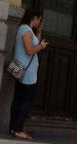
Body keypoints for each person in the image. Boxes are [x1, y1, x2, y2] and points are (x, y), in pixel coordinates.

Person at [9, 7, 48, 140]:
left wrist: (39, 32)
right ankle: (18, 129)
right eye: (39, 19)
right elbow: (30, 50)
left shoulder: (27, 30)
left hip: (23, 70)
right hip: (26, 72)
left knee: (18, 99)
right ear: (34, 18)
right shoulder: (25, 30)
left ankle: (14, 128)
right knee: (27, 101)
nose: (39, 21)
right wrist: (41, 46)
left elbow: (34, 44)